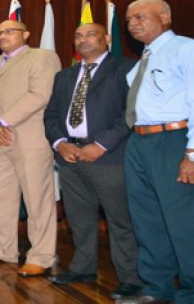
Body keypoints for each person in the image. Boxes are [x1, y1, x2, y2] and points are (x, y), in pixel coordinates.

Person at [119, 0, 194, 304]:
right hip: (138, 141)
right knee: (147, 220)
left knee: (186, 222)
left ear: (164, 17)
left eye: (140, 17)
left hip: (176, 140)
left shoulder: (189, 49)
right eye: (129, 19)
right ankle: (156, 288)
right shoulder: (141, 61)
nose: (133, 23)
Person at [43, 23, 141, 300]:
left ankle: (131, 279)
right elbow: (50, 116)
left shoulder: (126, 68)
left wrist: (100, 145)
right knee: (79, 218)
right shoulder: (64, 76)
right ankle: (83, 268)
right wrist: (60, 143)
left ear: (107, 38)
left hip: (110, 158)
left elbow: (131, 112)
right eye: (78, 35)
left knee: (120, 221)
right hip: (70, 158)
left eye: (90, 34)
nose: (83, 39)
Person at [0, 20, 61, 277]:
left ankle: (41, 255)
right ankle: (3, 249)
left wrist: (1, 122)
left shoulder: (43, 57)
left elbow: (40, 94)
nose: (3, 36)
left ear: (26, 34)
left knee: (37, 200)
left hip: (28, 140)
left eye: (10, 31)